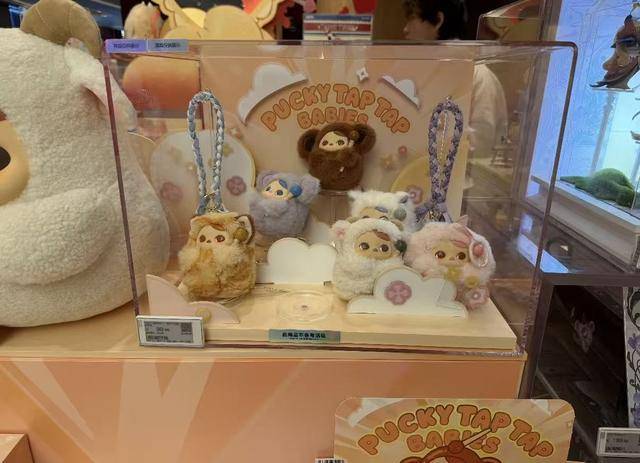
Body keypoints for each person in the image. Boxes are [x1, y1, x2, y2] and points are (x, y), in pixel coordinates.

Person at [402, 0, 509, 158]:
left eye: (412, 19)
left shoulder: (478, 75)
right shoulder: (420, 70)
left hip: (461, 172)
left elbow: (482, 143)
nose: (405, 29)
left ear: (438, 20)